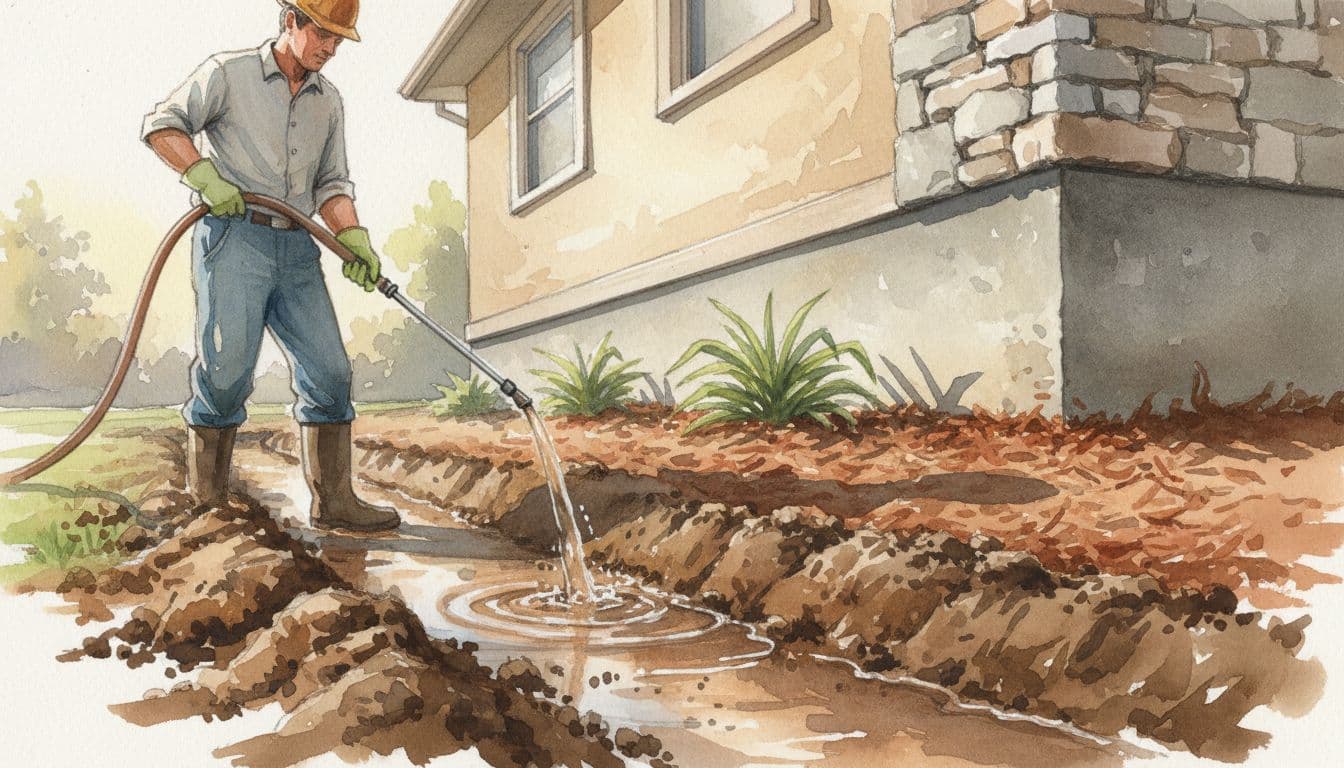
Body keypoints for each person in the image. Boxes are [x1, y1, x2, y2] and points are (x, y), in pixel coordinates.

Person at [142, 0, 399, 532]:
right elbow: (162, 126)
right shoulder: (227, 75)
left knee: (330, 372)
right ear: (291, 21)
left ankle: (335, 502)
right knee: (226, 371)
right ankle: (208, 509)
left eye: (338, 41)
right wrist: (204, 177)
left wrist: (353, 236)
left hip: (298, 249)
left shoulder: (329, 103)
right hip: (234, 240)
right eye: (324, 35)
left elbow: (331, 184)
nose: (331, 50)